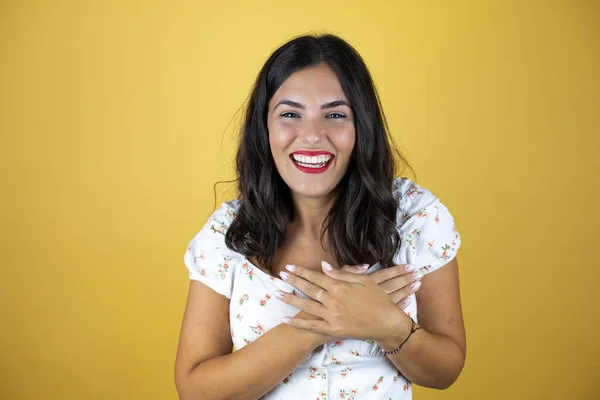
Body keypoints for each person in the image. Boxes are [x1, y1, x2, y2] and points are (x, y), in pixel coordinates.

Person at [174, 33, 466, 400]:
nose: (312, 136)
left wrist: (390, 326)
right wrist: (322, 322)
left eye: (335, 115)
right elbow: (196, 390)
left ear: (362, 127)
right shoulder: (227, 232)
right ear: (264, 128)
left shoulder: (415, 218)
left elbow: (445, 370)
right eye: (291, 114)